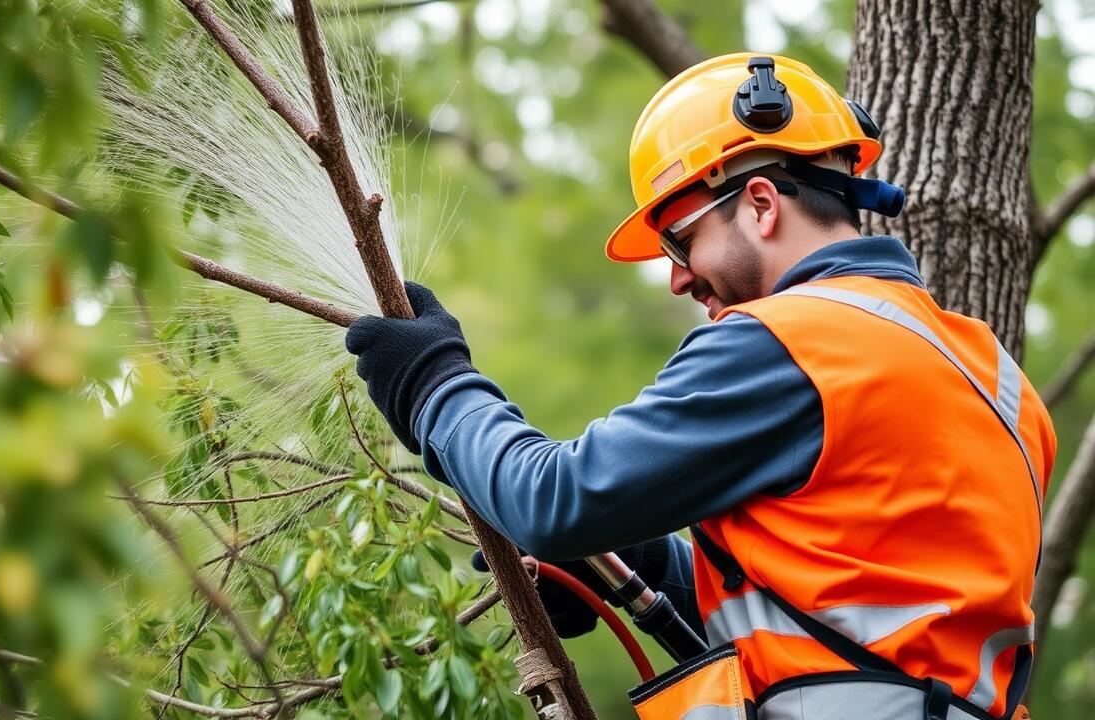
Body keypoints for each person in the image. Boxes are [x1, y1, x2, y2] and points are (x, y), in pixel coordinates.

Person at [345, 53, 1056, 720]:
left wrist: (435, 383)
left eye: (679, 241)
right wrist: (637, 561)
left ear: (761, 203)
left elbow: (553, 500)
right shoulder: (995, 377)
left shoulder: (787, 340)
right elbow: (855, 600)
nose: (679, 277)